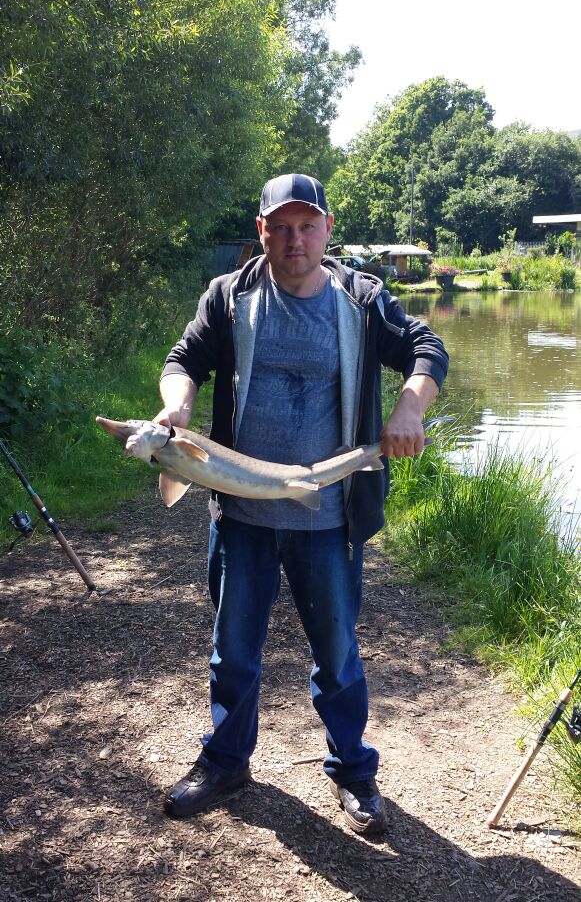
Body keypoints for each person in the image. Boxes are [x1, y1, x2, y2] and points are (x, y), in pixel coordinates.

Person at [156, 173, 448, 834]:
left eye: (307, 226)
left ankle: (353, 770)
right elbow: (184, 360)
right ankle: (225, 761)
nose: (295, 240)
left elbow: (427, 348)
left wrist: (409, 407)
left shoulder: (361, 299)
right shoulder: (228, 295)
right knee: (233, 651)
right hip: (243, 514)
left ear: (327, 228)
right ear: (261, 231)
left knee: (337, 653)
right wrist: (176, 408)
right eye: (281, 227)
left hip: (328, 516)